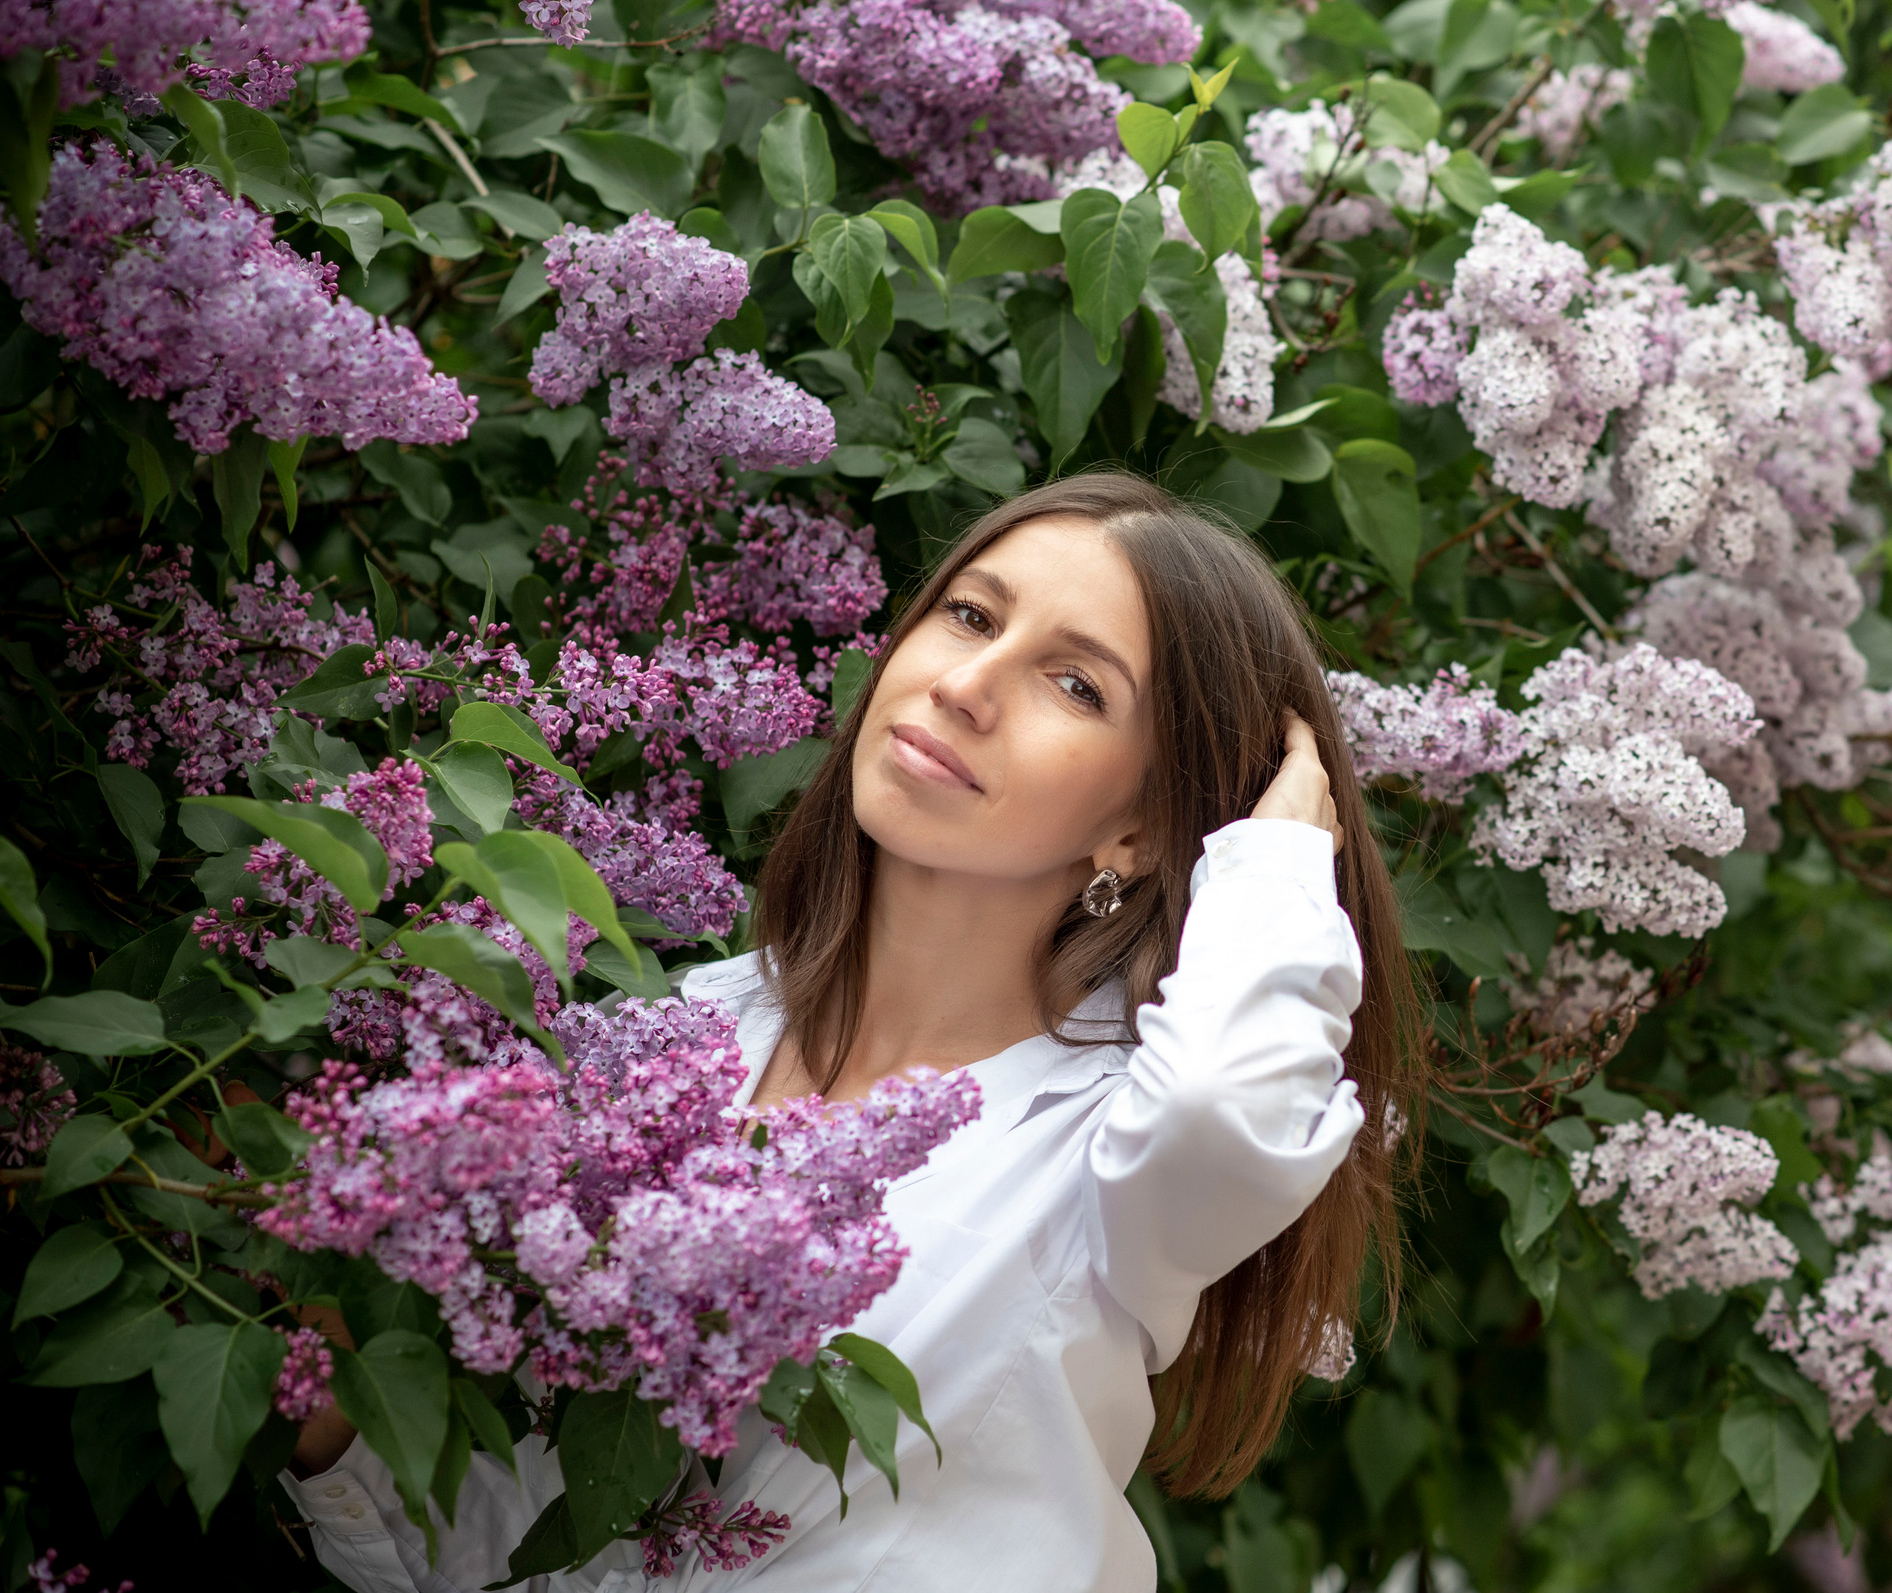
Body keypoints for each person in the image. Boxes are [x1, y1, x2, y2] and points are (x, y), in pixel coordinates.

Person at [280, 472, 1422, 1590]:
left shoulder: (1107, 1135)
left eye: (1074, 684)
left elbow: (1221, 1108)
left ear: (1141, 824)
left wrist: (1277, 856)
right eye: (969, 613)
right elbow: (542, 1542)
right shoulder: (684, 1037)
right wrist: (337, 1399)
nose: (967, 683)